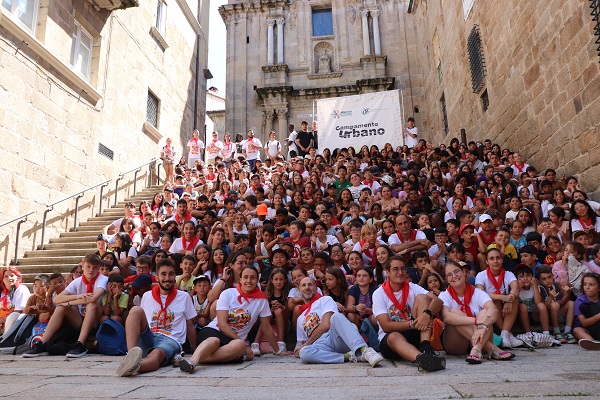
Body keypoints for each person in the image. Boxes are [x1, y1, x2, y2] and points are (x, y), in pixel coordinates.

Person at [178, 265, 284, 373]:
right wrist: (243, 343)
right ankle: (193, 362)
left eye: (252, 278)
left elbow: (266, 328)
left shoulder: (261, 300)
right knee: (215, 341)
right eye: (245, 277)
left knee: (239, 345)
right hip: (214, 331)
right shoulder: (228, 293)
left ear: (257, 280)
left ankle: (193, 358)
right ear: (240, 279)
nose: (249, 281)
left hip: (232, 342)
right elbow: (222, 325)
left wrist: (278, 351)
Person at [116, 258, 197, 376]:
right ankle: (131, 355)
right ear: (157, 277)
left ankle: (133, 366)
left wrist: (194, 349)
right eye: (163, 274)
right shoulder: (147, 295)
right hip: (149, 335)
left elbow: (189, 325)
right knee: (135, 310)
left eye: (171, 274)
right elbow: (140, 320)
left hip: (170, 339)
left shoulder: (184, 297)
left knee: (157, 354)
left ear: (175, 276)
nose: (167, 278)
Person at [24, 254, 108, 358]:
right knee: (60, 308)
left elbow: (93, 298)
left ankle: (80, 344)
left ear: (99, 268)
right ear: (83, 267)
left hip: (96, 318)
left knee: (91, 305)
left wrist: (69, 302)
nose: (91, 270)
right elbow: (57, 299)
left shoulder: (103, 279)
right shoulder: (78, 281)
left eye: (95, 267)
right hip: (79, 318)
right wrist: (78, 296)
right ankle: (42, 343)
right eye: (88, 267)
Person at [372, 256, 446, 371]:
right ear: (387, 272)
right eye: (395, 269)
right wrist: (413, 324)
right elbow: (386, 326)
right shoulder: (379, 293)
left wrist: (426, 314)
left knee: (422, 298)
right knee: (393, 336)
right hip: (391, 341)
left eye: (403, 269)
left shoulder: (412, 287)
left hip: (415, 333)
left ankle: (425, 347)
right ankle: (423, 359)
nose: (400, 273)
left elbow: (438, 301)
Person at [294, 276, 383, 366]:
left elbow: (326, 325)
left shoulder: (325, 300)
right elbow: (301, 342)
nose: (307, 287)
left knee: (336, 317)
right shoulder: (300, 318)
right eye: (303, 285)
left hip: (334, 336)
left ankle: (365, 351)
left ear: (317, 289)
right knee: (304, 353)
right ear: (299, 290)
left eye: (310, 284)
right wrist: (299, 349)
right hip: (320, 345)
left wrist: (306, 344)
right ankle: (348, 356)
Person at [439, 261, 514, 363]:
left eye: (457, 271)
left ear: (464, 273)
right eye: (449, 275)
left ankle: (477, 349)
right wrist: (476, 321)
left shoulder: (477, 292)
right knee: (455, 312)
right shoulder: (444, 295)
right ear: (446, 280)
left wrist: (483, 327)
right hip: (457, 344)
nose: (454, 276)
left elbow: (493, 310)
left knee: (485, 312)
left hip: (480, 338)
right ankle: (491, 347)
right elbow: (446, 317)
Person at [475, 248, 522, 348]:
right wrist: (501, 297)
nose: (495, 261)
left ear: (502, 260)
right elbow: (481, 294)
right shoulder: (481, 275)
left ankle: (504, 334)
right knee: (492, 300)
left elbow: (515, 287)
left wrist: (510, 299)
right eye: (492, 259)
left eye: (498, 258)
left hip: (506, 307)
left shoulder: (508, 274)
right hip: (489, 310)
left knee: (515, 298)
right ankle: (506, 333)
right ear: (487, 261)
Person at [574, 272, 600, 350]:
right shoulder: (580, 301)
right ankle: (592, 343)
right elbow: (584, 323)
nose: (587, 287)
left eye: (591, 285)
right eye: (585, 284)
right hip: (586, 329)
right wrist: (598, 316)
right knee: (577, 330)